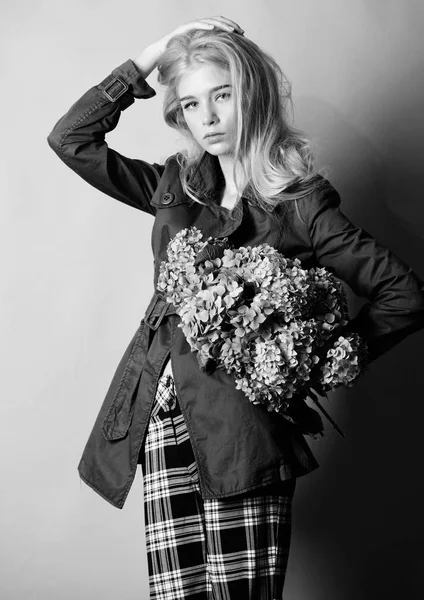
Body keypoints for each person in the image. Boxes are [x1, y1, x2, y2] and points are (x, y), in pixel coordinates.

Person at [47, 15, 424, 599]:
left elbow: (404, 294)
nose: (209, 118)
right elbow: (71, 139)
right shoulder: (176, 184)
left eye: (222, 96)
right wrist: (150, 57)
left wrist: (317, 360)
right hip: (161, 422)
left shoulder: (301, 205)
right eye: (192, 104)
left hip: (241, 436)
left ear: (253, 94)